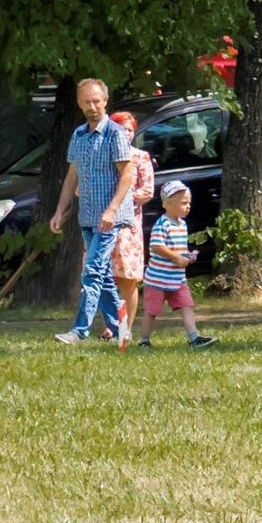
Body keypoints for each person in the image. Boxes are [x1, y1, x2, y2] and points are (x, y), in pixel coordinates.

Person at [49, 78, 138, 346]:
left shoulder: (115, 133)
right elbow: (71, 177)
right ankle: (122, 332)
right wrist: (59, 211)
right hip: (87, 216)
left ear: (105, 101)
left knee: (92, 272)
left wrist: (112, 210)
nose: (92, 106)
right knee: (104, 278)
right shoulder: (78, 135)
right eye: (87, 102)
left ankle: (79, 330)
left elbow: (127, 175)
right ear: (79, 104)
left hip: (110, 218)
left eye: (96, 101)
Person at [136, 181, 216, 348]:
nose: (188, 207)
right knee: (152, 311)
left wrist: (186, 255)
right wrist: (177, 258)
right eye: (183, 203)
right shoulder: (162, 224)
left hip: (177, 278)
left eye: (189, 203)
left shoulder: (182, 224)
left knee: (187, 305)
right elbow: (156, 246)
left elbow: (178, 247)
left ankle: (194, 338)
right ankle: (144, 340)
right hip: (158, 279)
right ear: (168, 204)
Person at [103, 111, 154, 349]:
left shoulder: (140, 157)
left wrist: (122, 197)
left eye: (130, 130)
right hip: (102, 224)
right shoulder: (102, 154)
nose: (126, 134)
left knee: (127, 279)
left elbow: (147, 191)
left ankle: (126, 329)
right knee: (103, 277)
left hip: (128, 227)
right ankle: (110, 326)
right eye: (122, 129)